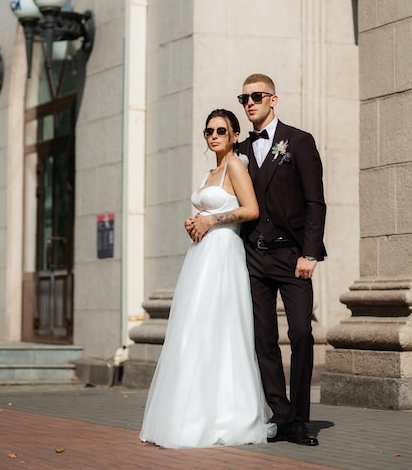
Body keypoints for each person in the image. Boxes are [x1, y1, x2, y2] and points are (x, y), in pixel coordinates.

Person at [140, 109, 268, 449]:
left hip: (223, 253)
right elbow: (208, 211)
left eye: (221, 131)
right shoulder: (209, 171)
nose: (213, 136)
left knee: (220, 328)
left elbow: (251, 209)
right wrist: (195, 221)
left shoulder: (235, 165)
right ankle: (190, 412)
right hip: (201, 255)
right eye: (209, 131)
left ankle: (227, 415)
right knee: (194, 329)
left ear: (234, 135)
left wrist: (212, 222)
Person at [237, 73, 327, 446]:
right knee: (263, 339)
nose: (249, 103)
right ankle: (281, 414)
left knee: (302, 335)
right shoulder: (240, 149)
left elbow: (314, 202)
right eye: (243, 99)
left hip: (293, 257)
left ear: (274, 99)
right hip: (254, 257)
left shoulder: (300, 141)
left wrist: (310, 253)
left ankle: (300, 418)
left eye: (256, 96)